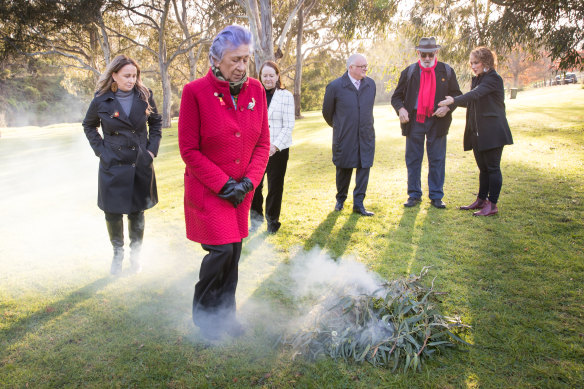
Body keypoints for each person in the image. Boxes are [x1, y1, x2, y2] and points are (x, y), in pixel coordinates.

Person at [178, 25, 270, 340]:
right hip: (210, 190)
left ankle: (227, 316)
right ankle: (205, 318)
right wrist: (223, 184)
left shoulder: (257, 90)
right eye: (235, 60)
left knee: (233, 253)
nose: (242, 66)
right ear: (217, 60)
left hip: (241, 192)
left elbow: (262, 144)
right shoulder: (194, 92)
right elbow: (189, 150)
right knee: (219, 252)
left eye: (246, 59)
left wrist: (248, 183)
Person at [82, 54, 162, 275]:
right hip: (112, 164)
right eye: (126, 75)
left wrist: (151, 150)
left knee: (137, 212)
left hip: (140, 163)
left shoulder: (145, 95)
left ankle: (136, 257)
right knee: (112, 212)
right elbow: (88, 126)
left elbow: (156, 123)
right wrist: (101, 151)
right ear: (114, 75)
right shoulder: (101, 99)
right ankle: (118, 255)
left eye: (134, 76)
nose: (131, 80)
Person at [438, 47, 513, 216]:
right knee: (483, 169)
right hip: (477, 132)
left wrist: (454, 100)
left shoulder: (493, 79)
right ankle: (481, 200)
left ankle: (492, 205)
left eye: (476, 62)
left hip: (493, 132)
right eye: (471, 63)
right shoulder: (478, 79)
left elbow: (475, 94)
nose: (473, 66)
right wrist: (452, 103)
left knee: (493, 168)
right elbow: (471, 100)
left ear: (486, 62)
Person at [391, 37, 461, 209]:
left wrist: (448, 109)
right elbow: (396, 97)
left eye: (431, 54)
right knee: (413, 159)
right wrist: (401, 109)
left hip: (438, 120)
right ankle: (414, 195)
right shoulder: (409, 72)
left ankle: (436, 196)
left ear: (436, 52)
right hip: (414, 120)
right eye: (424, 55)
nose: (427, 58)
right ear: (418, 53)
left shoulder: (447, 71)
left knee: (437, 159)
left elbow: (456, 97)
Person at [322, 53, 376, 216]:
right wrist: (341, 127)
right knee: (344, 169)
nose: (365, 69)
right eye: (362, 66)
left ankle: (359, 204)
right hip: (344, 137)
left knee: (364, 168)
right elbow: (327, 113)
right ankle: (341, 200)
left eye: (366, 66)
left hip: (366, 135)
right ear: (351, 67)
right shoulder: (335, 87)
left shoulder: (371, 84)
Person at [250, 60, 295, 233]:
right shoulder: (253, 94)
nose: (268, 79)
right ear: (260, 77)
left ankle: (272, 221)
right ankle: (255, 219)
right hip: (255, 150)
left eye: (271, 75)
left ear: (277, 76)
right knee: (254, 186)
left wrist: (274, 146)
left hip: (279, 149)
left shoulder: (286, 96)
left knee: (275, 186)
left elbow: (288, 125)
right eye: (265, 75)